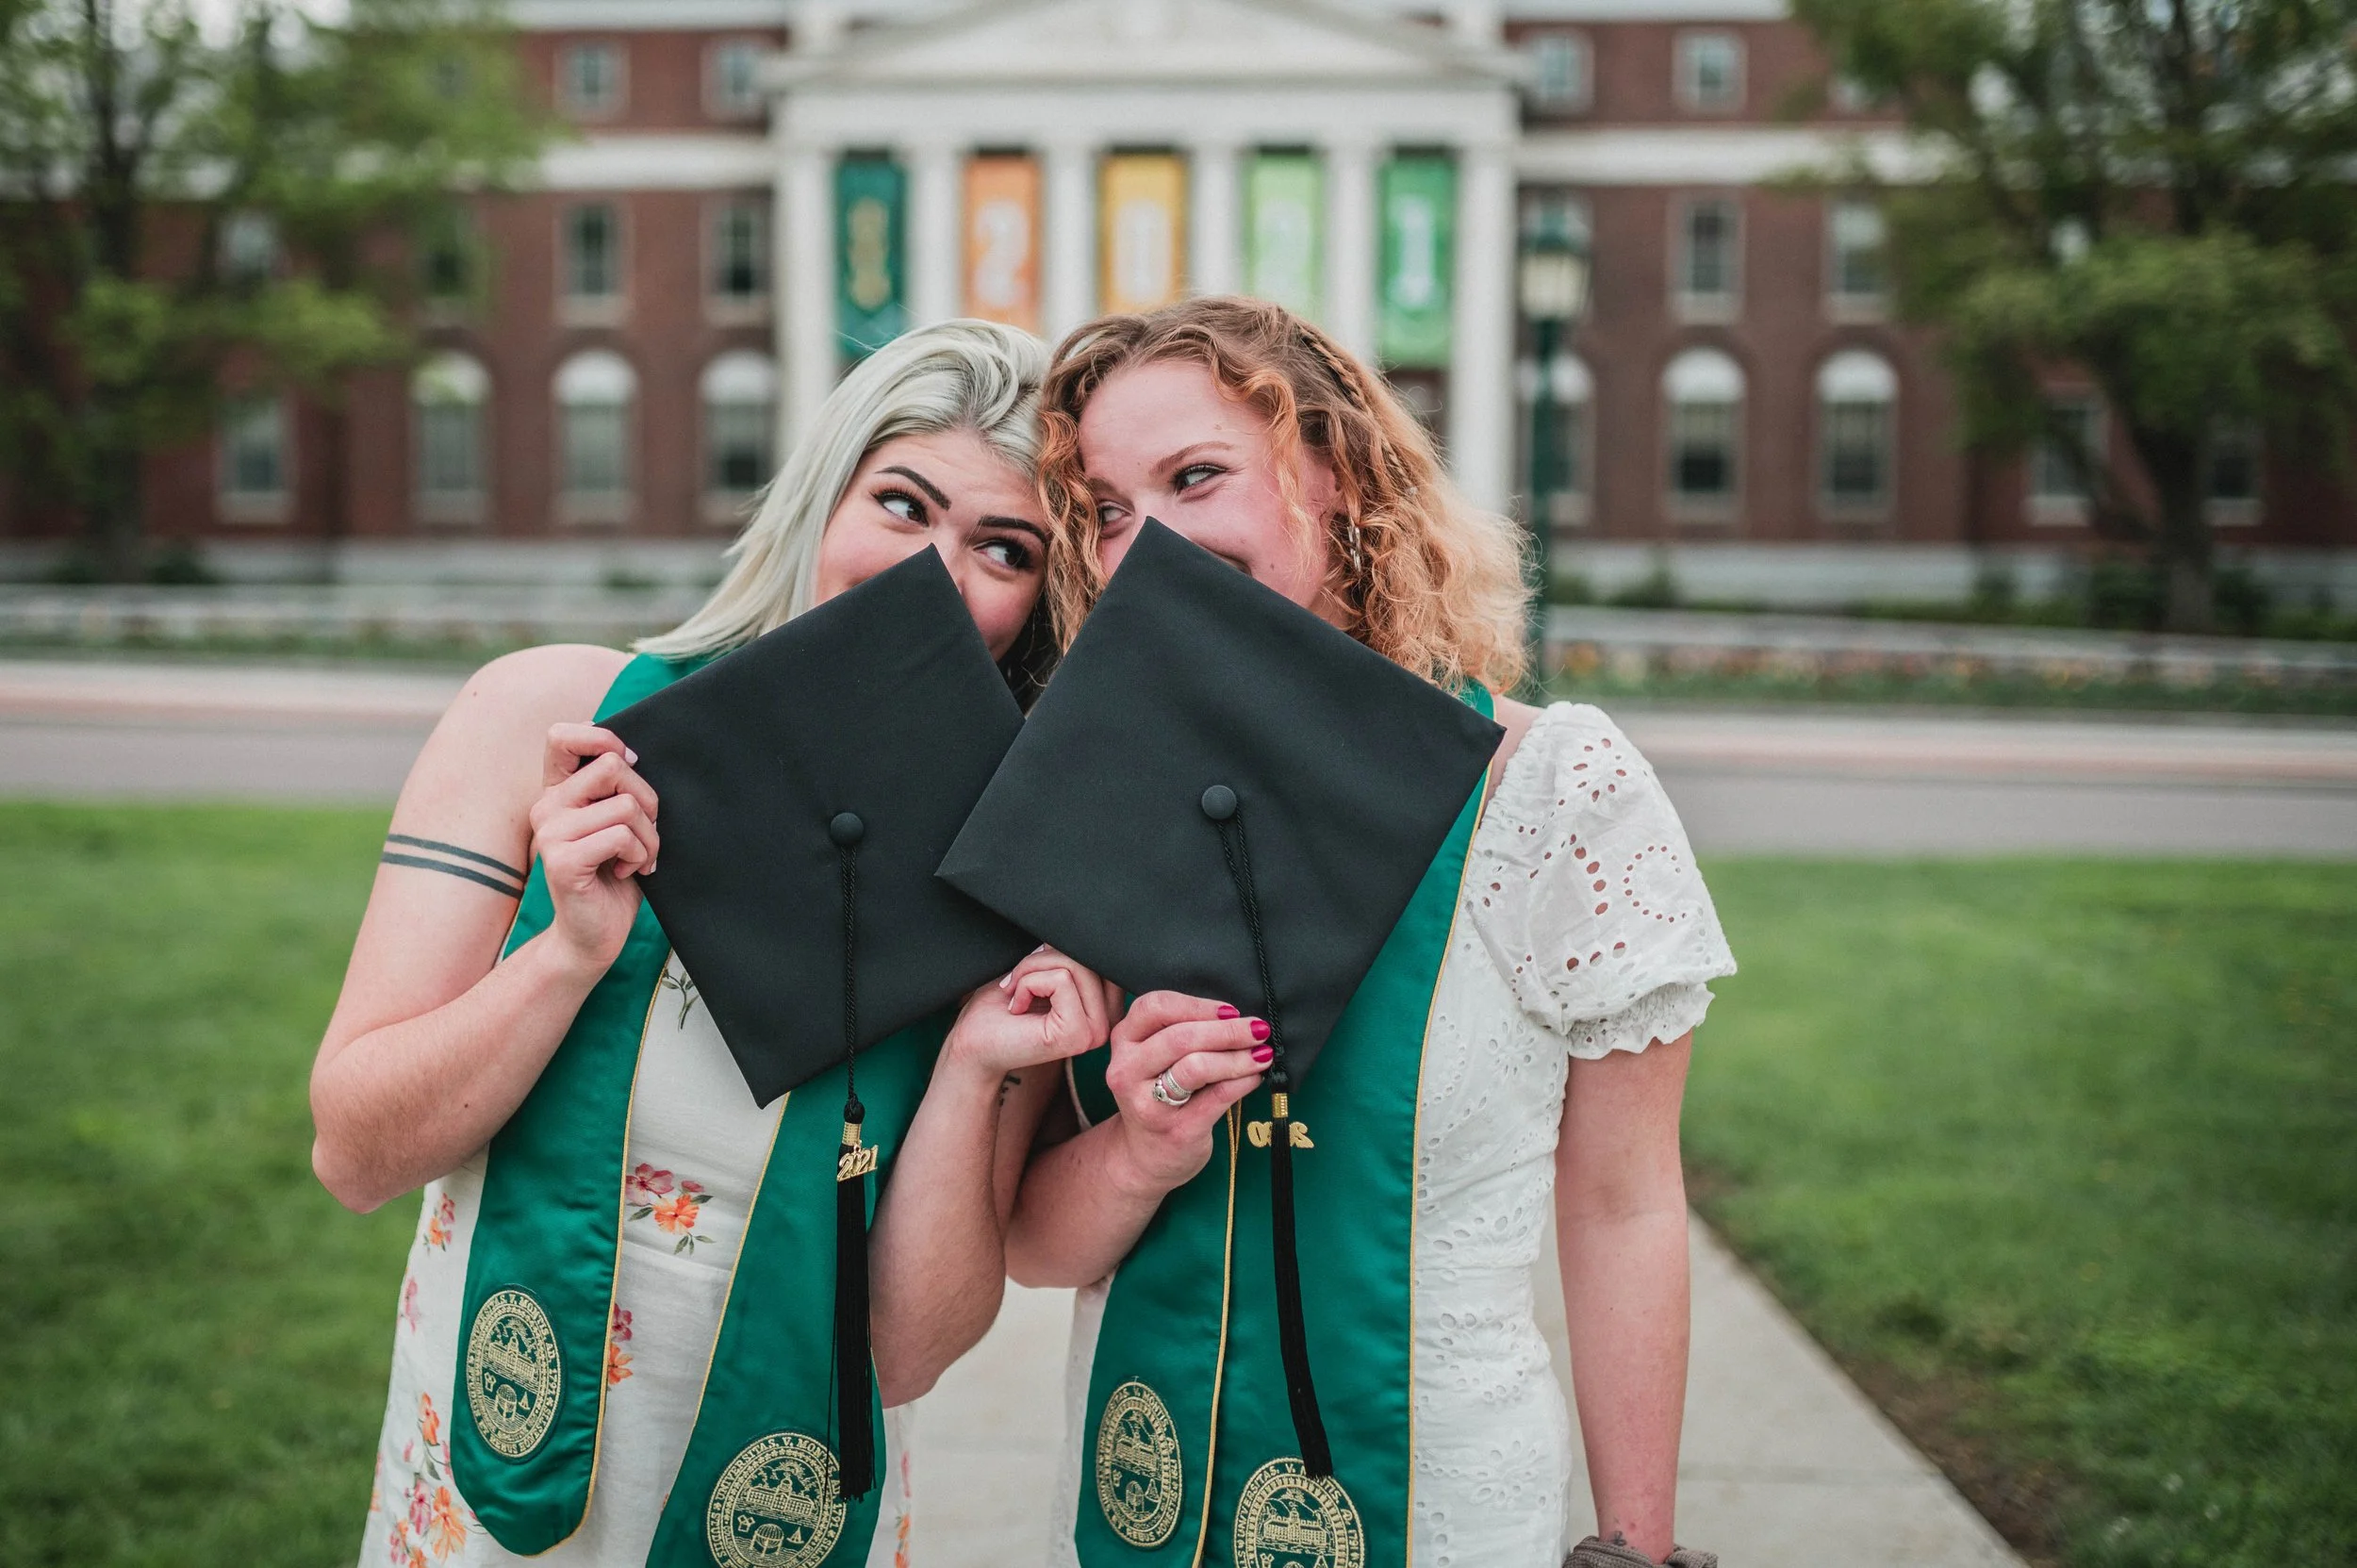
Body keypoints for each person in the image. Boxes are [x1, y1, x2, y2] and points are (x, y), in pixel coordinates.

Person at [311, 321, 1110, 1568]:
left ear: (1040, 607)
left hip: (788, 1506)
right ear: (820, 494)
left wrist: (972, 1065)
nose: (936, 573)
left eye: (1003, 548)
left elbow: (907, 1347)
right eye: (902, 504)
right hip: (485, 1479)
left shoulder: (1011, 880)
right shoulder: (553, 720)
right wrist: (567, 951)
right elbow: (355, 1151)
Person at [1006, 297, 1737, 1568]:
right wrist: (1141, 1144)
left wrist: (1636, 1547)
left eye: (1196, 478)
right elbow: (1032, 1244)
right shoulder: (1093, 808)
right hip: (1139, 1500)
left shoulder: (1548, 788)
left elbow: (1624, 1203)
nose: (1146, 548)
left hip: (1442, 1505)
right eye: (1110, 511)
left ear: (1332, 475)